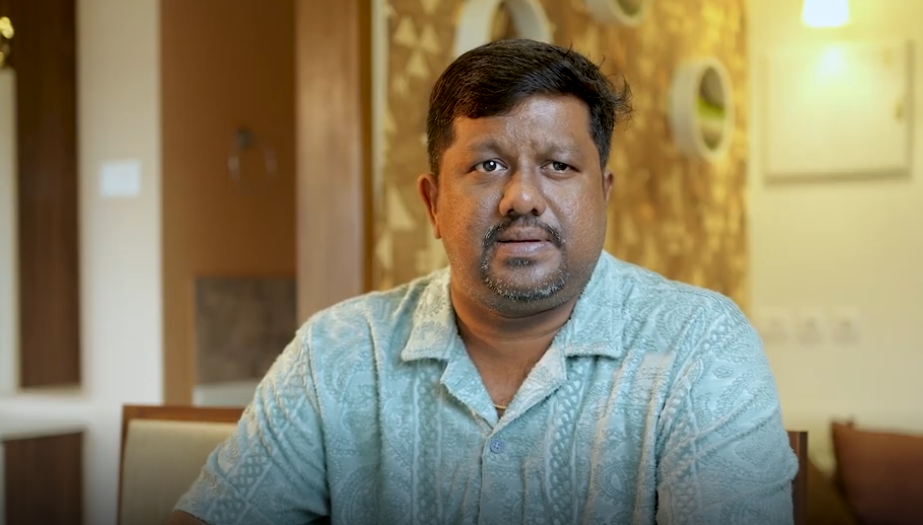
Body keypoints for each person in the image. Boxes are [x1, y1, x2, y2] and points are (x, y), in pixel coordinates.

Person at [167, 39, 797, 525]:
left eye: (558, 165)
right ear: (433, 203)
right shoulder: (337, 352)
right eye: (488, 164)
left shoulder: (700, 347)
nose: (523, 197)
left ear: (603, 195)